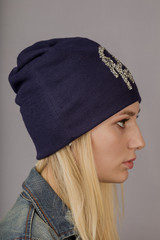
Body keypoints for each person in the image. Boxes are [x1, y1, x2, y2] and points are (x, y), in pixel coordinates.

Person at [0, 37, 145, 240]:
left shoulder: (76, 222)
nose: (139, 141)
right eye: (122, 122)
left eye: (135, 119)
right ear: (70, 135)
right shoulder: (27, 236)